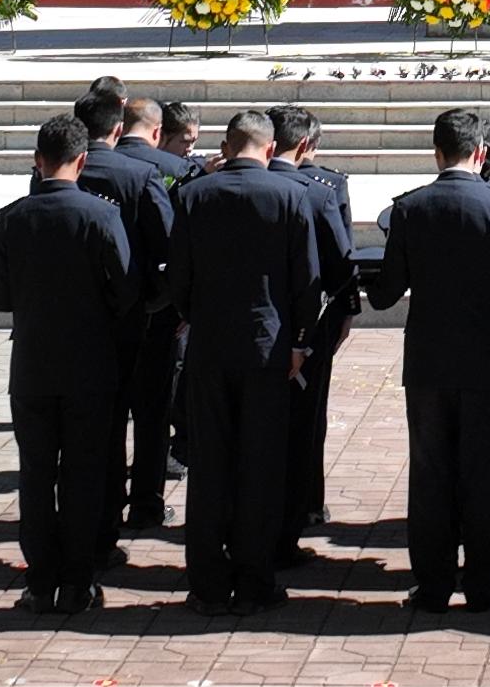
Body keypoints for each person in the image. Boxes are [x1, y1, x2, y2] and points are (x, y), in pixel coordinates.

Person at [371, 107, 490, 614]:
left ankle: (433, 584)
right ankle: (483, 585)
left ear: (436, 152)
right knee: (484, 473)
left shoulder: (409, 208)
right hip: (485, 357)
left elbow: (387, 292)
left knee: (430, 473)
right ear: (481, 153)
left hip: (428, 358)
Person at [166, 108, 322, 616]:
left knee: (210, 466)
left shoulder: (193, 195)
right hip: (268, 347)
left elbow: (179, 276)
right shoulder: (291, 194)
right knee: (261, 465)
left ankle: (208, 583)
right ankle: (255, 580)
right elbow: (307, 279)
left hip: (210, 345)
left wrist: (197, 316)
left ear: (227, 146)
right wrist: (300, 342)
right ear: (271, 149)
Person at [0, 113, 133, 617]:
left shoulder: (12, 217)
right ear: (83, 161)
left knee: (36, 475)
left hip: (33, 366)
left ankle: (40, 580)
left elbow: (0, 298)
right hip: (90, 364)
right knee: (83, 475)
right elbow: (125, 291)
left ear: (37, 160)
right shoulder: (101, 215)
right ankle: (77, 582)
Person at [79, 93, 176, 541]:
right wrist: (164, 301)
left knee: (100, 417)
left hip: (81, 315)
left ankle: (101, 505)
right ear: (117, 129)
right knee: (151, 412)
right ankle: (145, 504)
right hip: (140, 313)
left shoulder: (59, 172)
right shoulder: (140, 175)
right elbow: (168, 244)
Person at [269, 105, 357, 558]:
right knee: (305, 419)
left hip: (247, 327)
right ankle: (299, 509)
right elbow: (342, 263)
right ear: (305, 145)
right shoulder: (321, 190)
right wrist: (346, 312)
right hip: (308, 323)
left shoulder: (217, 185)